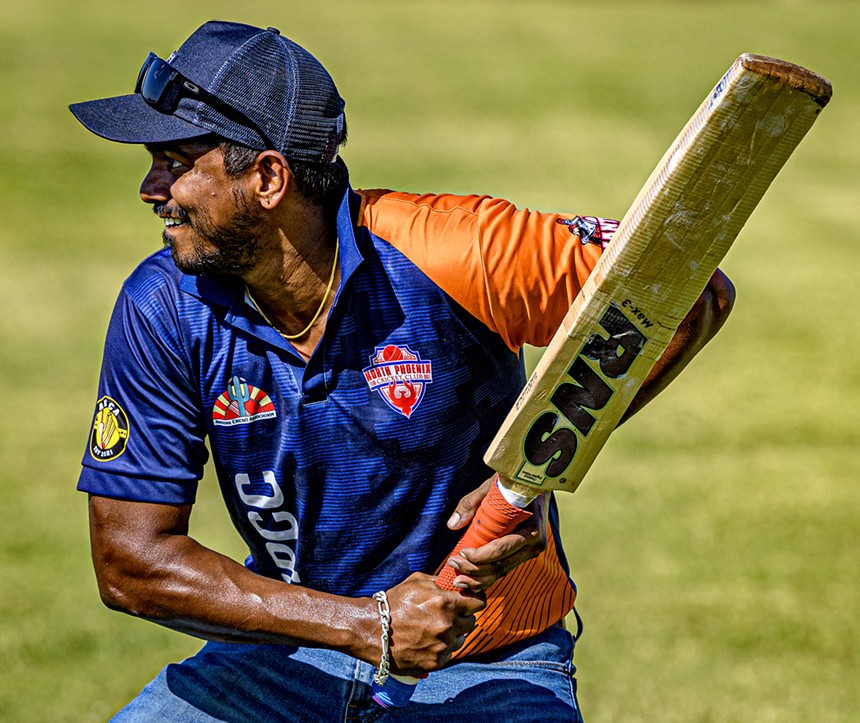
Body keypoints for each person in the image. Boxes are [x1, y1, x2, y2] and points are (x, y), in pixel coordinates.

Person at [71, 20, 734, 722]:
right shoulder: (165, 305)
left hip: (489, 661)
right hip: (284, 650)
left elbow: (683, 291)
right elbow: (131, 560)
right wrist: (367, 624)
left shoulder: (460, 251)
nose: (151, 188)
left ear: (269, 177)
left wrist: (536, 458)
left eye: (175, 162)